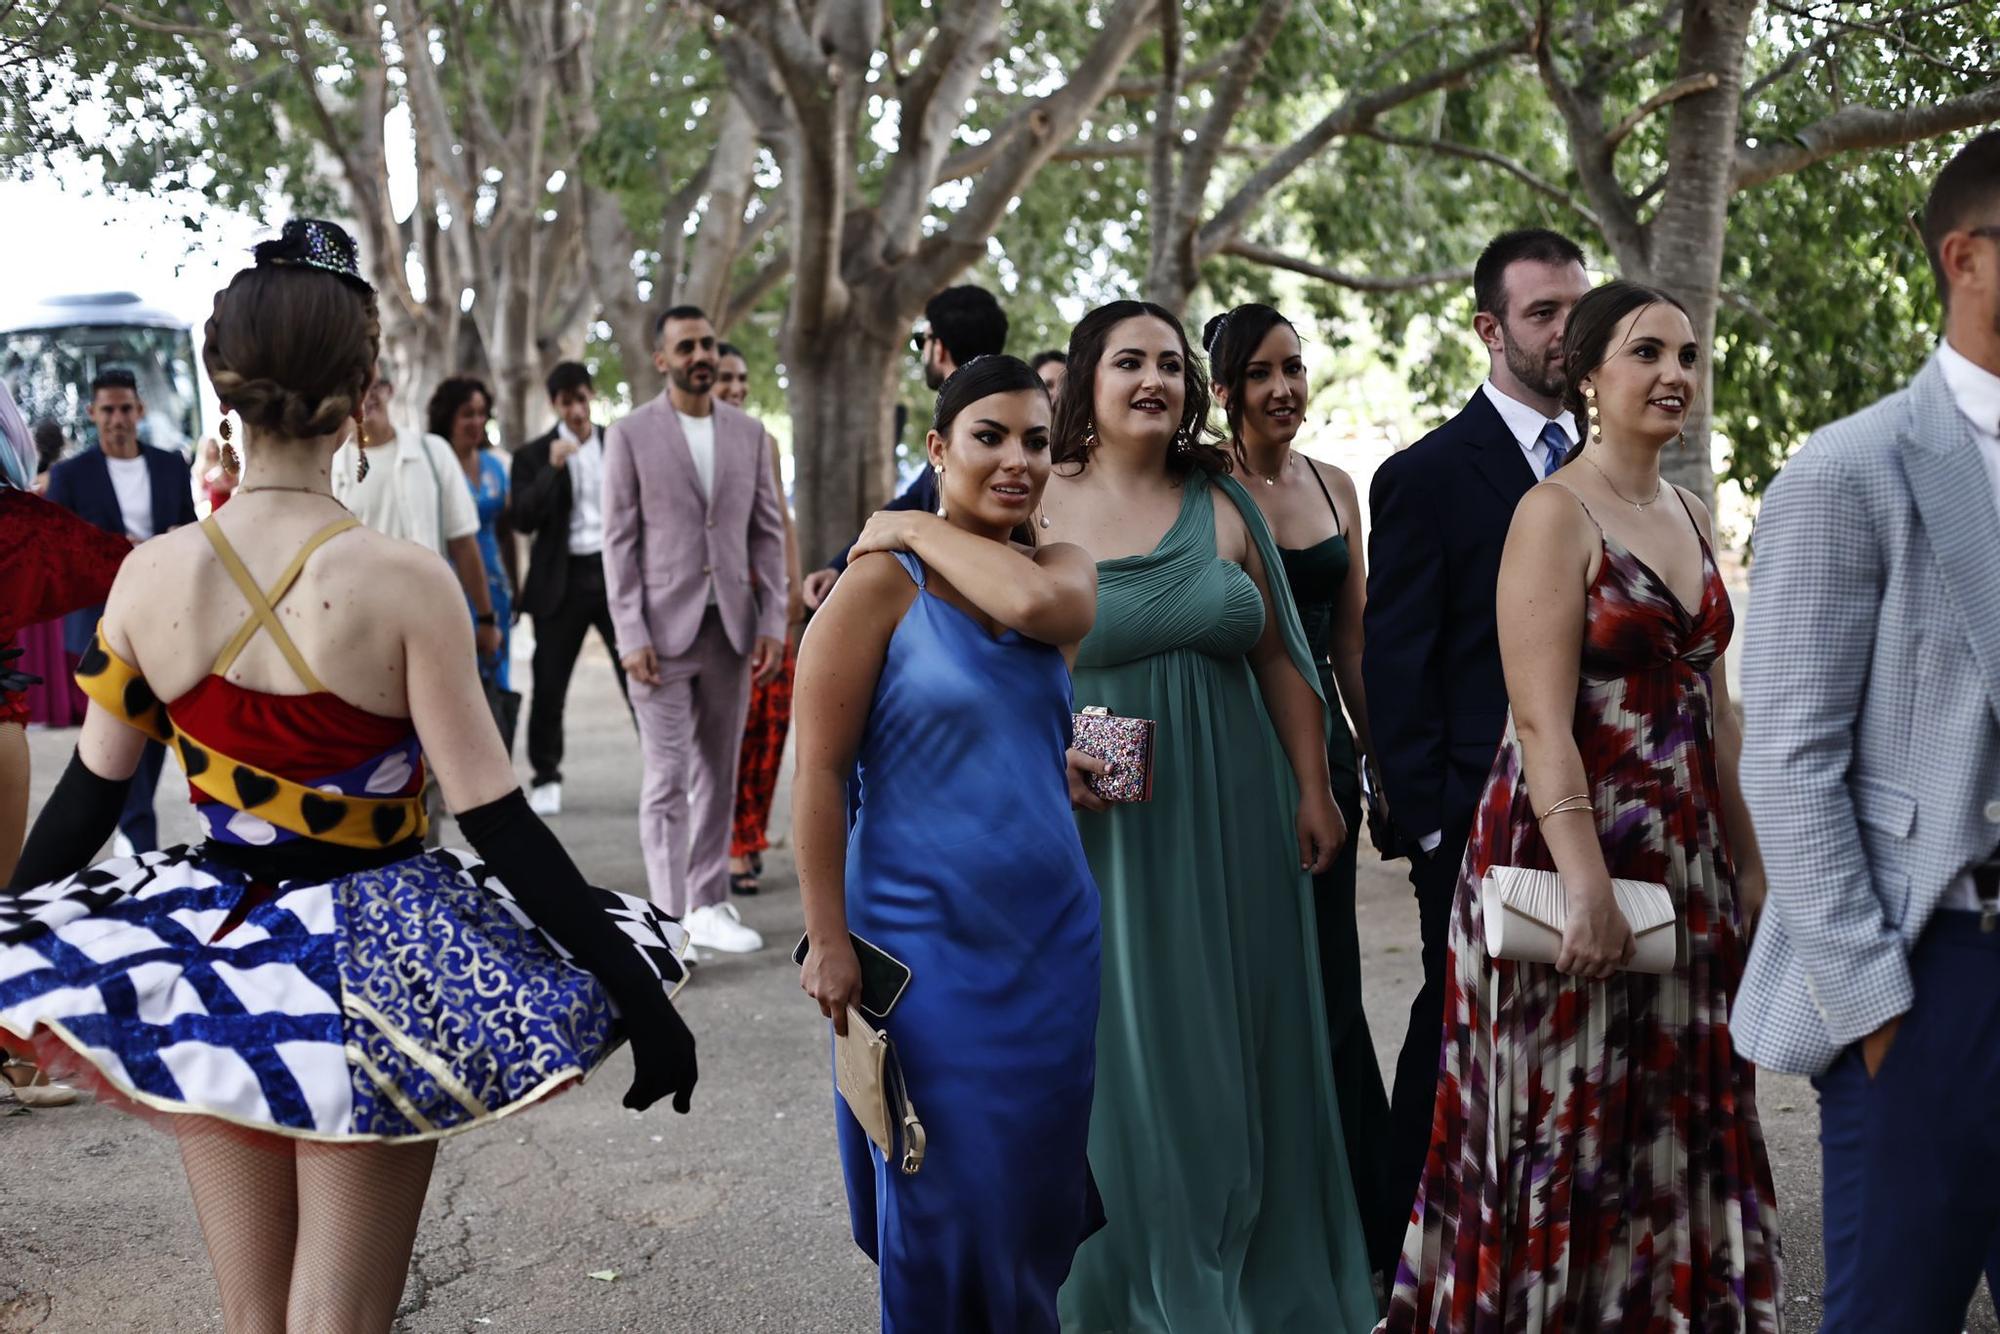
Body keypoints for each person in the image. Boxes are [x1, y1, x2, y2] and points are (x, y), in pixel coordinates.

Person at [0, 221, 698, 1332]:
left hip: (212, 964)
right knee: (341, 1320)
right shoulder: (405, 583)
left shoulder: (150, 576)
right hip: (379, 965)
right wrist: (633, 984)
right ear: (364, 389)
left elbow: (88, 795)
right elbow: (501, 823)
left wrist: (7, 942)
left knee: (254, 1317)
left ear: (219, 383)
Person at [1384, 280, 1782, 1329]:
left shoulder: (1690, 510)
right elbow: (1536, 716)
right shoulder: (1550, 510)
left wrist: (1746, 865)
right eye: (1646, 352)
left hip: (1684, 850)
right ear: (1591, 373)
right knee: (1568, 1116)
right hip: (1571, 843)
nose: (1673, 375)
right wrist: (1586, 884)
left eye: (1688, 356)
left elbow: (1716, 707)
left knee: (1670, 1108)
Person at [1037, 300, 1374, 1331]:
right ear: (1085, 381)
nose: (1153, 380)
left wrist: (1313, 788)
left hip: (1241, 815)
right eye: (1128, 361)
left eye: (1171, 365)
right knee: (1132, 1055)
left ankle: (1259, 1277)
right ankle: (1130, 1286)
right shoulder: (1032, 503)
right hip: (1100, 832)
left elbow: (1279, 653)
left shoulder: (1221, 494)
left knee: (1249, 1048)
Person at [1734, 129, 2000, 1333]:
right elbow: (1788, 760)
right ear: (1965, 257)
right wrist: (1876, 1009)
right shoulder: (1845, 471)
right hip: (1931, 968)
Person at [796, 355, 1102, 1332]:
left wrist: (916, 518)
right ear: (935, 446)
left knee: (1027, 1203)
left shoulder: (1057, 568)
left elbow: (1036, 616)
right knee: (939, 1201)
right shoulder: (877, 584)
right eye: (988, 436)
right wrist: (826, 937)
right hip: (921, 954)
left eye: (1036, 441)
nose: (1016, 459)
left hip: (1051, 942)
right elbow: (816, 770)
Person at [1361, 227, 1591, 1231]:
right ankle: (1404, 1228)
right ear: (1487, 329)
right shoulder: (1426, 474)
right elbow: (1396, 665)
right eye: (1542, 313)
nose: (1563, 332)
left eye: (1575, 311)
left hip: (1601, 799)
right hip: (1470, 813)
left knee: (1578, 1027)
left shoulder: (1607, 461)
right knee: (1457, 1024)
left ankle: (1556, 1220)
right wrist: (1425, 826)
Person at [1206, 301, 1399, 1276]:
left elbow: (1352, 644)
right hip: (1231, 770)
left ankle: (1355, 1222)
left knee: (1328, 991)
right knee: (1247, 991)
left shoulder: (1336, 487)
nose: (1282, 388)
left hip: (1324, 767)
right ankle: (1254, 1220)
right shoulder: (1203, 492)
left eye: (1293, 367)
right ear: (1223, 392)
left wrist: (1376, 759)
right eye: (1258, 374)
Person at [603, 305, 787, 955]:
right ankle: (667, 920)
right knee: (666, 777)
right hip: (660, 633)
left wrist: (772, 620)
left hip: (732, 631)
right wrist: (630, 633)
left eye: (707, 344)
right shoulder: (629, 436)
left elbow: (766, 533)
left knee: (720, 771)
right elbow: (618, 543)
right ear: (663, 359)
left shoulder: (748, 434)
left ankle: (710, 903)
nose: (700, 355)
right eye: (686, 347)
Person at [45, 367, 201, 857]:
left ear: (141, 411)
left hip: (165, 620)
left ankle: (135, 834)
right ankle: (137, 840)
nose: (117, 419)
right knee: (119, 731)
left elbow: (193, 532)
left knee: (152, 733)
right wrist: (116, 550)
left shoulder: (170, 465)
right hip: (101, 623)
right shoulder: (71, 477)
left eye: (126, 408)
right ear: (92, 415)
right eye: (108, 410)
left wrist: (173, 540)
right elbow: (58, 555)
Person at [800, 284, 1008, 610]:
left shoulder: (969, 426)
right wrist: (838, 565)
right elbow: (910, 502)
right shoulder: (983, 417)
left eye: (920, 341)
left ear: (938, 348)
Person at [510, 361, 628, 817]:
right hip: (561, 581)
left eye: (582, 399)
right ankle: (545, 776)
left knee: (638, 676)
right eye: (567, 402)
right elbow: (522, 519)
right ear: (554, 405)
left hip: (615, 574)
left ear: (591, 396)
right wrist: (551, 470)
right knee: (550, 683)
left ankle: (668, 768)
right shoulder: (535, 454)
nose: (577, 410)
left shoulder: (617, 441)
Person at [332, 371, 503, 666]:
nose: (368, 396)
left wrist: (486, 619)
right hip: (362, 629)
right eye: (357, 388)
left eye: (375, 386)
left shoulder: (433, 453)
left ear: (390, 390)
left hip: (431, 621)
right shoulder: (332, 466)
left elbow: (463, 542)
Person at [715, 342, 804, 896]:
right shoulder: (690, 444)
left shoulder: (763, 443)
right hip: (712, 603)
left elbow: (781, 523)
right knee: (729, 727)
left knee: (770, 723)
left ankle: (749, 836)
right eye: (726, 377)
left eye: (742, 377)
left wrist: (790, 588)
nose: (737, 387)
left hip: (763, 597)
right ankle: (725, 842)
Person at [429, 375, 517, 692]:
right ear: (448, 416)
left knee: (498, 683)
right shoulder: (432, 467)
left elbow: (507, 533)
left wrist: (515, 586)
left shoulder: (496, 465)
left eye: (482, 413)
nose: (477, 421)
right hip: (451, 588)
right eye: (468, 413)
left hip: (495, 587)